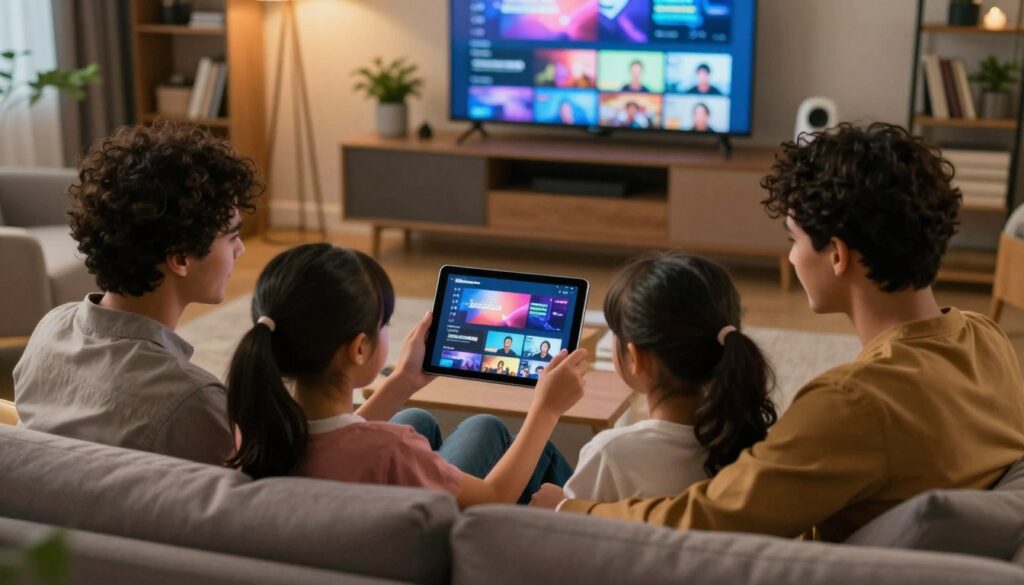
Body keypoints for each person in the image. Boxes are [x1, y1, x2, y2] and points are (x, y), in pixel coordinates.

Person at [537, 122, 1024, 542]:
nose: (791, 257)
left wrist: (567, 512)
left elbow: (707, 520)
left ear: (837, 255)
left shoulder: (855, 404)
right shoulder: (986, 340)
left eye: (793, 240)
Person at [227, 243, 588, 508]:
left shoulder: (255, 432)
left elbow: (330, 438)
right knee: (487, 427)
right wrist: (547, 409)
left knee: (416, 418)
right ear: (359, 348)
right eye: (384, 324)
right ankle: (593, 513)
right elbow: (494, 496)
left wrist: (403, 381)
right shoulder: (393, 451)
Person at [13, 122, 262, 464]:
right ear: (180, 258)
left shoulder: (49, 330)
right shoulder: (194, 401)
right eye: (231, 237)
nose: (241, 251)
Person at [562, 252, 776, 502]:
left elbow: (568, 532)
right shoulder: (751, 442)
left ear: (636, 358)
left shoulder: (611, 453)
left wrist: (557, 504)